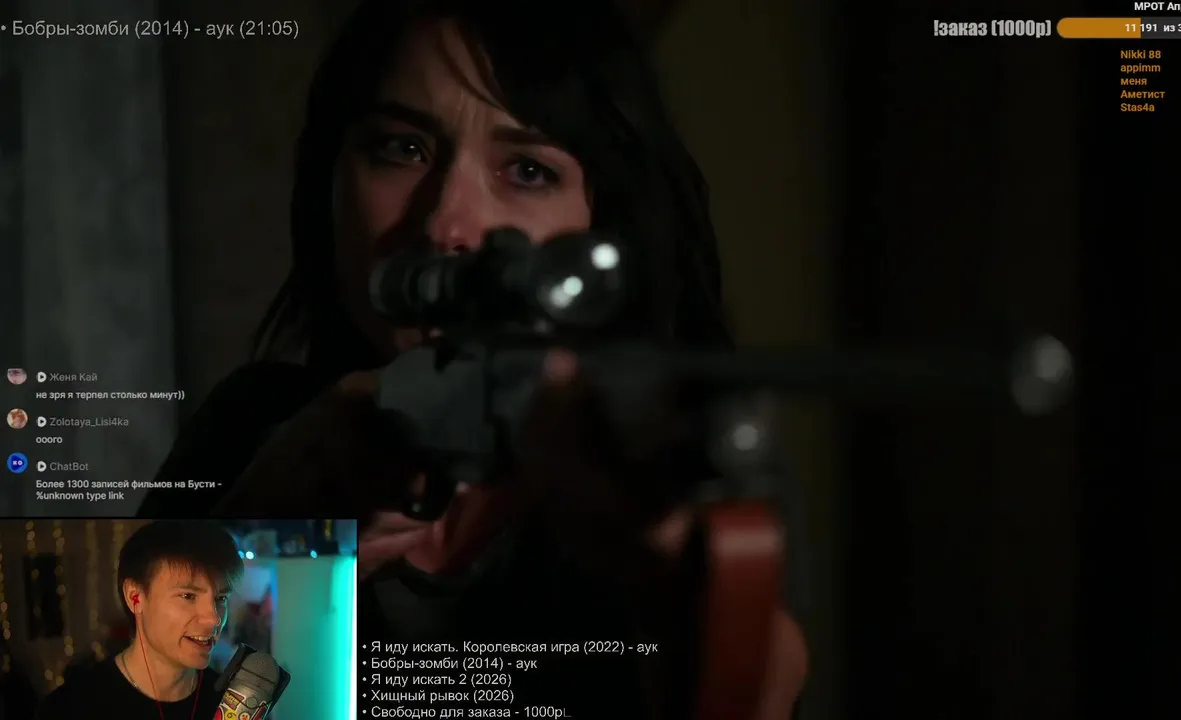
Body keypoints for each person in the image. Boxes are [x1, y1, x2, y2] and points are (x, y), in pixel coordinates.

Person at [139, 1, 806, 717]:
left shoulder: (665, 449)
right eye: (402, 148)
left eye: (528, 169)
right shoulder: (253, 425)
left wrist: (650, 534)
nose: (445, 225)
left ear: (604, 219)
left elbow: (760, 685)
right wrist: (268, 532)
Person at [36, 520, 242, 719]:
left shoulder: (234, 707)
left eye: (221, 598)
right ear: (135, 597)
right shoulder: (70, 707)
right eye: (188, 596)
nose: (214, 619)